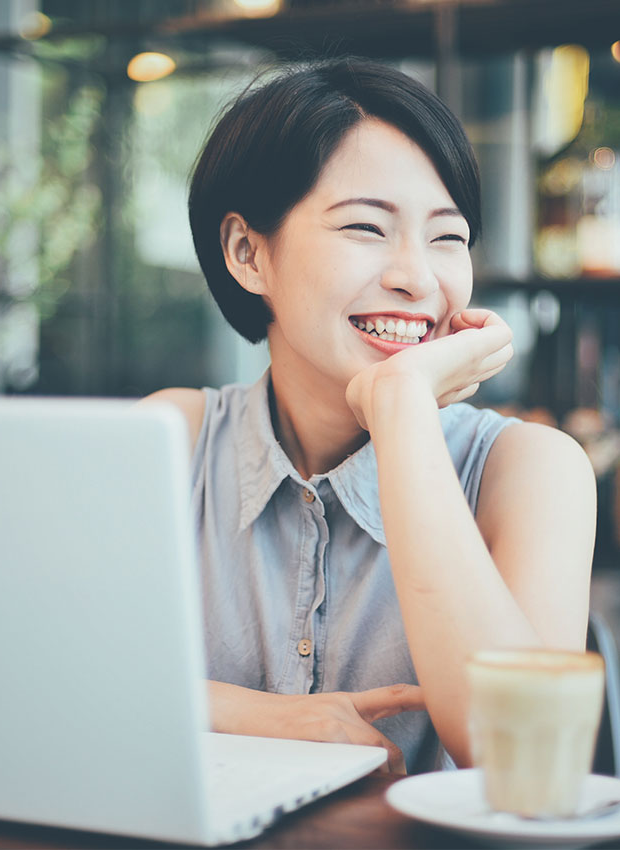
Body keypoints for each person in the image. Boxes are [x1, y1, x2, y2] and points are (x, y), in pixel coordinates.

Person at [142, 57, 596, 774]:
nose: (416, 276)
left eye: (448, 238)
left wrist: (403, 409)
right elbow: (34, 675)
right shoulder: (171, 441)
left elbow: (525, 754)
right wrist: (261, 716)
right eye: (367, 227)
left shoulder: (532, 469)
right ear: (246, 253)